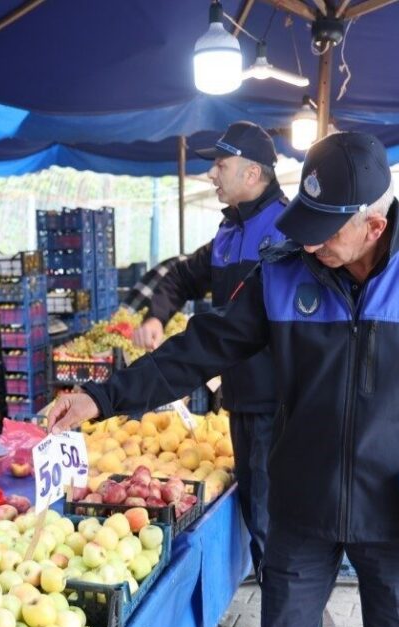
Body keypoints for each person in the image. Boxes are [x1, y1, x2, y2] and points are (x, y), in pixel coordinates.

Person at [50, 132, 399, 627]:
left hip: (397, 513)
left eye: (324, 232)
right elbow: (203, 347)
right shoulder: (284, 272)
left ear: (373, 226)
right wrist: (102, 397)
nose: (309, 243)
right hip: (301, 508)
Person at [131, 120, 286, 585]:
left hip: (277, 404)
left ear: (253, 173)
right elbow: (182, 276)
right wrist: (157, 314)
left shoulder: (287, 229)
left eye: (220, 165)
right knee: (258, 514)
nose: (211, 175)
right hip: (238, 397)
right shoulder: (227, 232)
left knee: (270, 518)